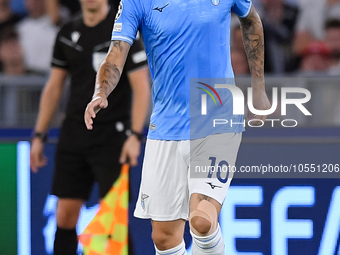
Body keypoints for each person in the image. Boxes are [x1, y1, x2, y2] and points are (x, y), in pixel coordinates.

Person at [85, 0, 270, 254]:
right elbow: (115, 54)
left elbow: (251, 20)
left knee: (202, 220)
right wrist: (100, 91)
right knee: (164, 238)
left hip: (217, 119)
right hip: (165, 126)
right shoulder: (136, 2)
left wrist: (258, 87)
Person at [29, 0, 150, 254]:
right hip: (74, 133)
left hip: (113, 137)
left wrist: (135, 135)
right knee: (64, 215)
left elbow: (142, 88)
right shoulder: (67, 32)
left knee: (114, 218)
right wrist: (39, 135)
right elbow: (54, 86)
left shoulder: (122, 30)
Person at [16, 0, 58, 74]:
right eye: (31, 1)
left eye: (38, 1)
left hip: (52, 75)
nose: (35, 3)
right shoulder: (20, 28)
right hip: (28, 77)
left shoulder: (56, 25)